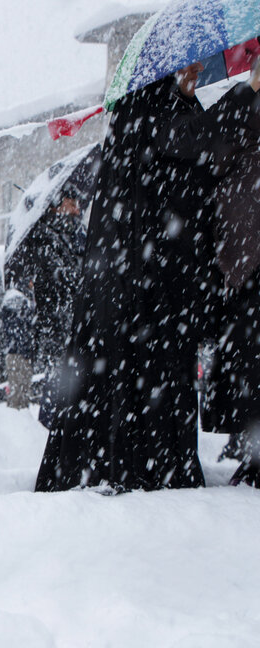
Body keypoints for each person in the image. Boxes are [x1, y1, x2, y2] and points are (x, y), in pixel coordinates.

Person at [36, 61, 260, 492]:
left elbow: (204, 150)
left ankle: (154, 464)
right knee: (140, 382)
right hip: (140, 288)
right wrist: (248, 89)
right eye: (185, 68)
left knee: (160, 380)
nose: (194, 73)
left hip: (162, 287)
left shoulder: (173, 109)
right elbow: (201, 139)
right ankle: (134, 466)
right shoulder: (146, 111)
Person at [202, 58, 260, 487]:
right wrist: (251, 88)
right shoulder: (240, 111)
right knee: (249, 359)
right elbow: (213, 151)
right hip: (246, 263)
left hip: (245, 260)